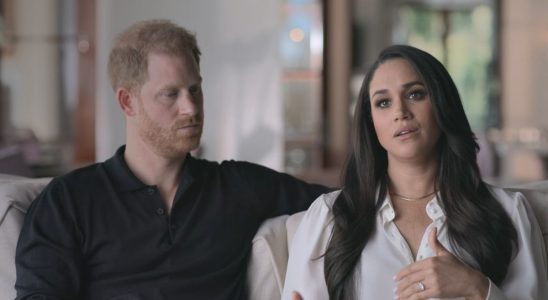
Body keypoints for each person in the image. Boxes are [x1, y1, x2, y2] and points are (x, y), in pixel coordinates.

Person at [15, 19, 329, 300]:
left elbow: (345, 204)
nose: (191, 108)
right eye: (171, 94)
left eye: (195, 90)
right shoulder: (68, 201)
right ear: (128, 102)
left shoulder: (238, 186)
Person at [282, 45, 548, 300]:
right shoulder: (328, 218)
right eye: (383, 102)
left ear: (443, 104)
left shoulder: (508, 212)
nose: (400, 111)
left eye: (415, 94)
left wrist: (476, 287)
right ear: (371, 121)